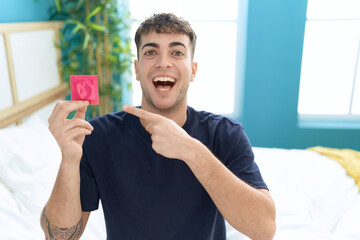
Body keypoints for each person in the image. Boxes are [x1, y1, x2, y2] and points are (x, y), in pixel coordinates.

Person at [41, 13, 276, 240]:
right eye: (151, 52)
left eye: (176, 52)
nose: (164, 63)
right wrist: (69, 159)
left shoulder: (225, 133)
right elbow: (58, 237)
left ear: (193, 70)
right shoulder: (96, 135)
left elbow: (264, 230)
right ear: (136, 69)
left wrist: (190, 150)